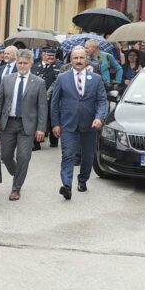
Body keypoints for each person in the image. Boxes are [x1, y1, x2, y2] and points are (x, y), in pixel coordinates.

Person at [51, 47, 108, 200]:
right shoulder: (62, 78)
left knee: (88, 156)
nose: (78, 61)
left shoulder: (95, 78)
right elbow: (55, 103)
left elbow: (102, 100)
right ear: (71, 60)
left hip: (90, 124)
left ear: (86, 60)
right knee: (68, 155)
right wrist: (55, 124)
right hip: (67, 124)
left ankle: (82, 179)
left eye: (81, 58)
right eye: (75, 58)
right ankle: (67, 186)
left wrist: (99, 117)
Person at [0, 49, 47, 201]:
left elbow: (43, 107)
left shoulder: (38, 82)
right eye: (19, 63)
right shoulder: (7, 79)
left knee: (23, 156)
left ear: (31, 64)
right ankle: (18, 173)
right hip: (8, 123)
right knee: (6, 156)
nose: (22, 65)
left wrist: (41, 128)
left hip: (27, 125)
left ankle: (16, 188)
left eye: (25, 63)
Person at [32, 48, 62, 149]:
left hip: (53, 97)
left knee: (52, 116)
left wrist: (47, 94)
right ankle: (36, 142)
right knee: (38, 118)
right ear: (43, 55)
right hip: (38, 97)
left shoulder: (59, 66)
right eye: (49, 55)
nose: (51, 57)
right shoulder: (36, 65)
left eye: (53, 55)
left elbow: (57, 82)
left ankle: (54, 140)